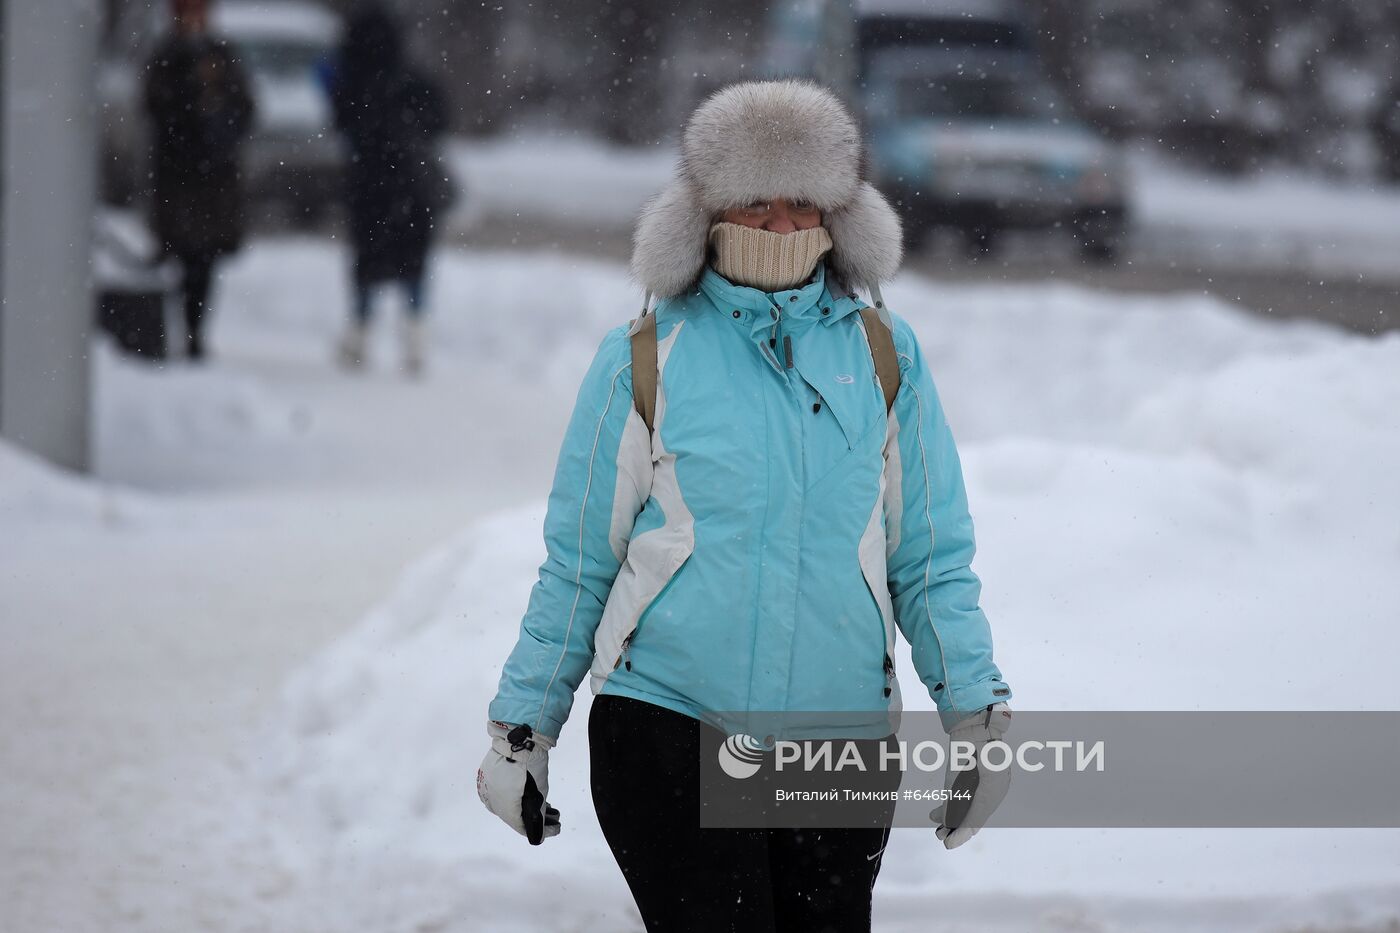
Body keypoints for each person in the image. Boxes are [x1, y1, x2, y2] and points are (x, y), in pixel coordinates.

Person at [477, 81, 1013, 932]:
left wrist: (977, 713)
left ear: (837, 213)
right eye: (754, 201)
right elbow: (580, 560)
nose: (780, 224)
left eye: (803, 201)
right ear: (710, 212)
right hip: (669, 728)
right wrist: (523, 726)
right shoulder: (645, 357)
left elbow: (931, 556)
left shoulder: (884, 353)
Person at [328, 5, 449, 375]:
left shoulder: (352, 88)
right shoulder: (415, 83)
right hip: (413, 189)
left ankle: (359, 337)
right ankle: (415, 342)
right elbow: (439, 121)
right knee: (413, 266)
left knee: (367, 263)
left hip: (370, 189)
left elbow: (343, 128)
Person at [144, 0, 255, 361]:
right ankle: (176, 330)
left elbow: (245, 108)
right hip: (178, 176)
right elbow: (156, 108)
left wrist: (218, 116)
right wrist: (191, 96)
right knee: (180, 255)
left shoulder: (223, 55)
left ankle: (194, 333)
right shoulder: (166, 57)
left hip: (214, 179)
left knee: (204, 261)